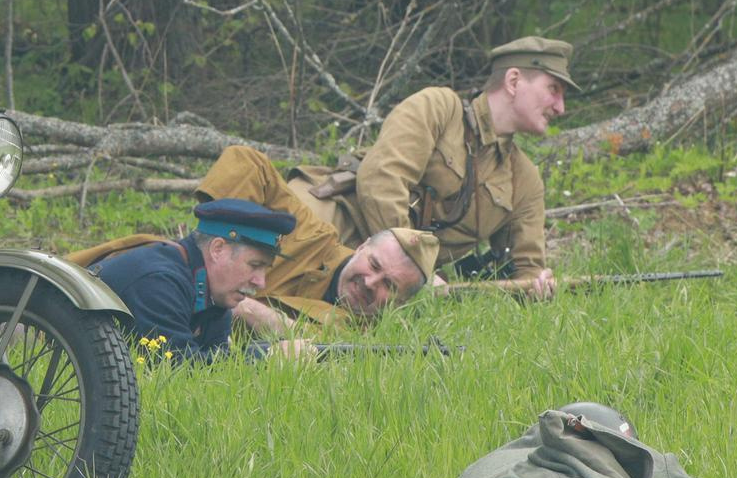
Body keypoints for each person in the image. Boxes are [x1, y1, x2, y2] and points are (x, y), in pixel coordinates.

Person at [202, 36, 579, 326]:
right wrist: (418, 270)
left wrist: (534, 288)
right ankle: (190, 274)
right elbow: (382, 179)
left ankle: (229, 322)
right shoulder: (439, 108)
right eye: (553, 89)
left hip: (385, 280)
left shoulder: (524, 180)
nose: (560, 107)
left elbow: (523, 270)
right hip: (335, 218)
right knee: (247, 256)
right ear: (514, 80)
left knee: (300, 320)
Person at [86, 199, 291, 362]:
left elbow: (216, 366)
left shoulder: (213, 295)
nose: (261, 282)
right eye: (255, 265)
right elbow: (175, 366)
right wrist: (269, 356)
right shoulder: (158, 282)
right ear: (217, 249)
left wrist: (265, 353)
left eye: (265, 269)